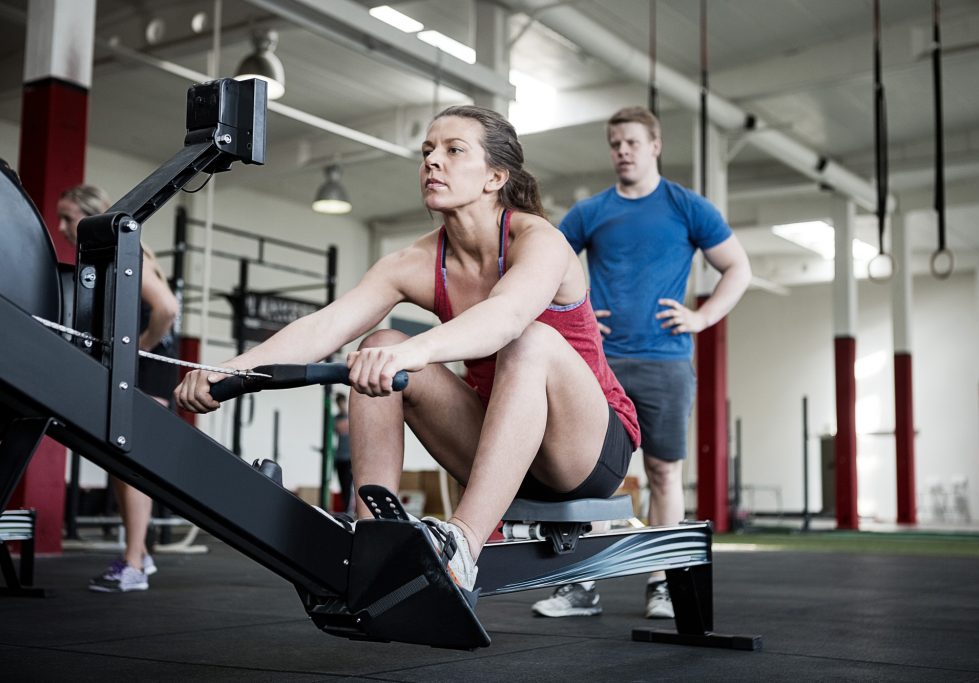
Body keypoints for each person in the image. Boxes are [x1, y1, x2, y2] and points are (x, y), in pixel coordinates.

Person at [175, 105, 640, 593]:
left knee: (528, 342)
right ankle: (373, 536)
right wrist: (228, 370)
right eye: (426, 152)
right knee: (378, 343)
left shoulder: (539, 241)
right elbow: (326, 325)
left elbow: (503, 320)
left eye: (454, 150)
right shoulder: (416, 261)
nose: (432, 161)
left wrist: (413, 353)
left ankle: (463, 544)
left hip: (586, 452)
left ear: (495, 176)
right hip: (500, 452)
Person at [531, 106, 751, 619]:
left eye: (631, 142)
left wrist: (702, 318)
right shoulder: (591, 212)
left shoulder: (685, 206)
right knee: (587, 475)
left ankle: (661, 584)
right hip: (598, 363)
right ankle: (582, 586)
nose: (622, 151)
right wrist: (574, 318)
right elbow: (541, 268)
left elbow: (737, 267)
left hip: (665, 363)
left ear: (655, 145)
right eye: (615, 143)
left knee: (664, 472)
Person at [57, 184, 180, 592]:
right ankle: (139, 555)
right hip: (132, 362)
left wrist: (140, 349)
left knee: (132, 464)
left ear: (91, 216)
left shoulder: (126, 252)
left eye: (68, 217)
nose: (61, 227)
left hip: (149, 367)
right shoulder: (106, 254)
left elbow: (167, 308)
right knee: (118, 460)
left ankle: (134, 564)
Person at [333, 392, 352, 513]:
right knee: (343, 485)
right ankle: (345, 511)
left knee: (349, 486)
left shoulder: (352, 417)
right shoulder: (335, 419)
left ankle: (350, 510)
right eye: (339, 404)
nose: (341, 406)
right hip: (340, 457)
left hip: (351, 458)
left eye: (342, 403)